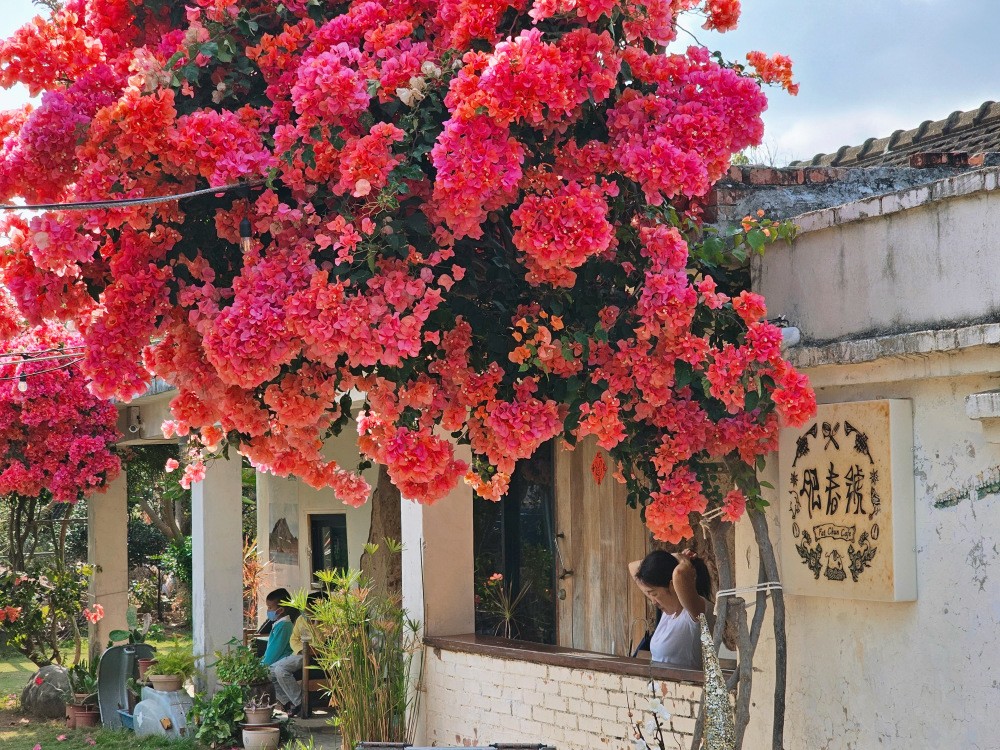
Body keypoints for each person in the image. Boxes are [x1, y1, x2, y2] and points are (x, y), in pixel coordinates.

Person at [628, 549, 713, 670]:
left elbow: (679, 573)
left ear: (672, 586)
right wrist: (673, 557)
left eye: (654, 594)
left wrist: (683, 560)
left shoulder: (695, 612)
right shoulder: (669, 611)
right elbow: (632, 567)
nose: (653, 601)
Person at [270, 591, 324, 717]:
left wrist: (315, 624)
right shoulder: (300, 619)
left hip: (315, 656)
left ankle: (302, 704)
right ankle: (289, 703)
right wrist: (301, 649)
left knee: (280, 670)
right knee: (267, 672)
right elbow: (293, 639)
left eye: (309, 609)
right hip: (300, 653)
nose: (306, 612)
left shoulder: (326, 622)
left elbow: (320, 642)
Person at [261, 588, 297, 668]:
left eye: (270, 608)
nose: (268, 610)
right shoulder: (280, 624)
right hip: (276, 662)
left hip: (278, 664)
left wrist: (263, 666)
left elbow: (275, 650)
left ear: (280, 610)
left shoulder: (284, 626)